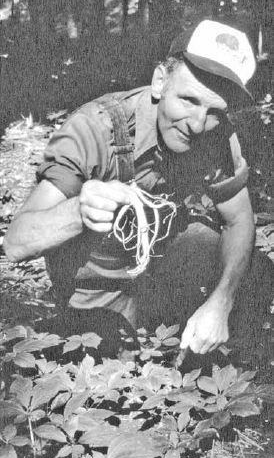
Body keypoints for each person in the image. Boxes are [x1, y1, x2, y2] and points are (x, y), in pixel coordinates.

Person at [3, 19, 274, 359]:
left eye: (215, 111)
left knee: (258, 271)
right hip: (97, 297)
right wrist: (77, 211)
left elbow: (239, 220)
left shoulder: (216, 135)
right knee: (109, 371)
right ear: (160, 81)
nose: (198, 124)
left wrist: (221, 301)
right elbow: (16, 243)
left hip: (158, 275)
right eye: (188, 100)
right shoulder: (94, 129)